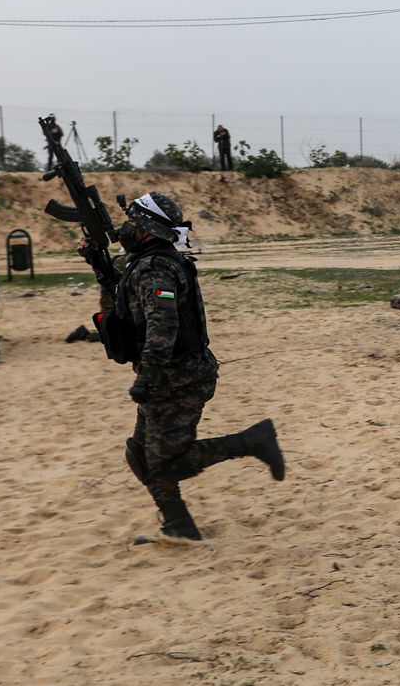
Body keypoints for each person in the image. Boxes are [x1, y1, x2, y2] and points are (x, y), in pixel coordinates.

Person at [109, 190, 284, 542]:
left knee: (165, 463)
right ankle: (179, 524)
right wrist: (94, 259)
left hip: (177, 379)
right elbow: (127, 298)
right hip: (172, 375)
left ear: (146, 230)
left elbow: (163, 327)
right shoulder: (149, 261)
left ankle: (252, 441)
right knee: (141, 454)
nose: (125, 228)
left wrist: (147, 378)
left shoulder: (157, 268)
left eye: (131, 222)